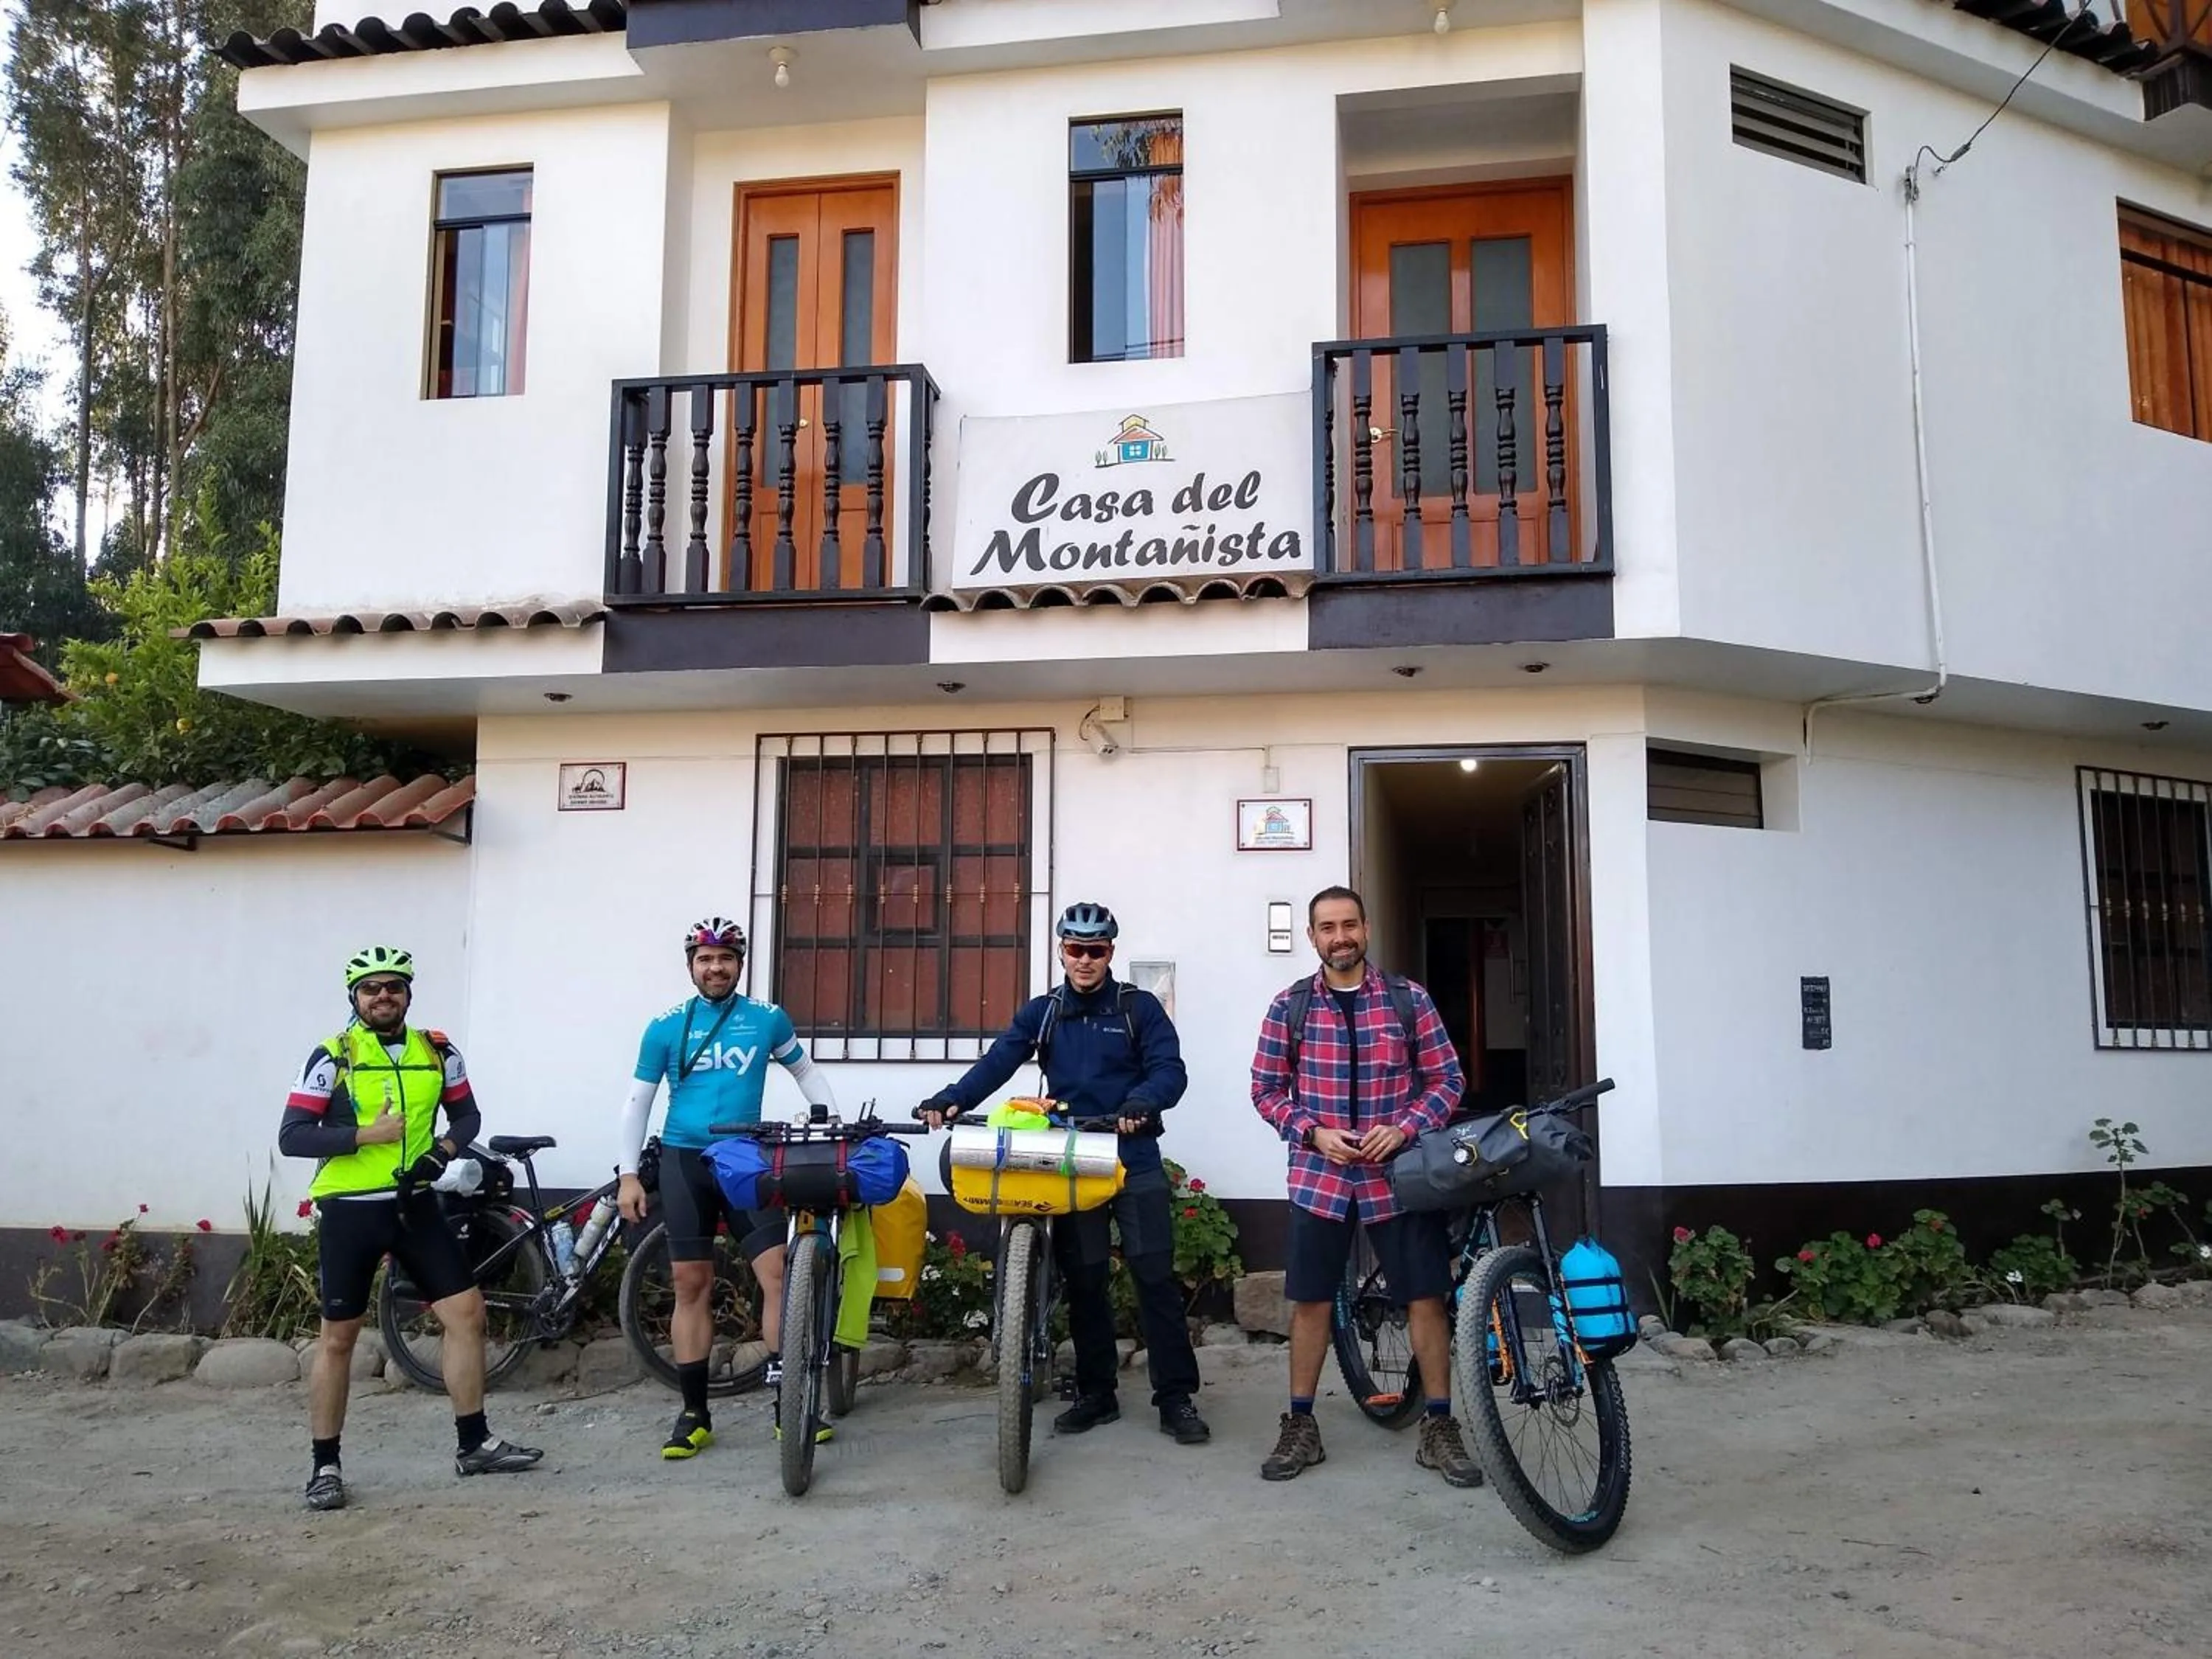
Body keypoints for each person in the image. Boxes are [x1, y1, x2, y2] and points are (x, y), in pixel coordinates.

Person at [920, 901, 1208, 1446]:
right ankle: (1097, 1393)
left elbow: (1170, 1069)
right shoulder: (1045, 1012)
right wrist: (952, 1099)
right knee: (1085, 1280)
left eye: (1094, 950)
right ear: (1061, 951)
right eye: (1075, 949)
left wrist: (1143, 1101)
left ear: (1110, 952)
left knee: (1154, 1278)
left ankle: (1175, 1397)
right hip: (1074, 1157)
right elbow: (999, 1061)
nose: (1084, 960)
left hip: (1132, 1153)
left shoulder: (1138, 1008)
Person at [278, 946, 543, 1511]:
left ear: (408, 994)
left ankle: (475, 1444)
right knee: (338, 1339)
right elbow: (293, 1136)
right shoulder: (334, 1055)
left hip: (415, 1204)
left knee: (467, 1314)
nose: (383, 996)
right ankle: (325, 1466)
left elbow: (467, 1115)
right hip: (351, 1209)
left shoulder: (437, 1051)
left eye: (393, 987)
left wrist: (442, 1151)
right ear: (355, 997)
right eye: (371, 988)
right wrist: (364, 1137)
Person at [1248, 886, 1481, 1486]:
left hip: (1397, 1177)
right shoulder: (1290, 1007)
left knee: (1425, 1296)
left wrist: (1405, 1128)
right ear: (1312, 937)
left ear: (1366, 929)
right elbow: (1265, 1090)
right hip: (1319, 1177)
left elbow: (1447, 1080)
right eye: (1327, 928)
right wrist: (1312, 1132)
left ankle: (1438, 1425)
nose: (1340, 937)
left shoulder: (1408, 1000)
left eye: (1349, 925)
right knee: (1311, 1300)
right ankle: (1301, 1423)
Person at [615, 916, 840, 1458]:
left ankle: (789, 1404)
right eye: (705, 959)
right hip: (683, 1160)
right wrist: (628, 1174)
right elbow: (638, 1101)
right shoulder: (665, 1027)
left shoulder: (766, 1019)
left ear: (740, 963)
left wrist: (830, 1127)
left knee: (778, 1274)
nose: (715, 968)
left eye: (725, 959)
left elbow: (806, 1073)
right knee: (690, 1284)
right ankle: (694, 1414)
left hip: (746, 1158)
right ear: (691, 965)